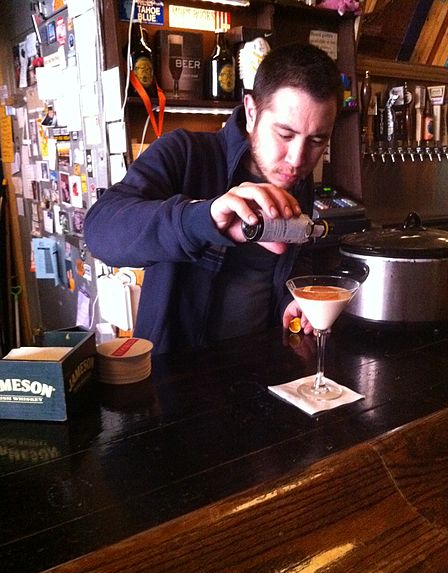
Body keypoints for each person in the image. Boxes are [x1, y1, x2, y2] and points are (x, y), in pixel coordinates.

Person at [84, 42, 342, 355]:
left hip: (262, 367)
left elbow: (294, 256)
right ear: (251, 111)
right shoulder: (185, 153)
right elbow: (99, 231)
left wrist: (294, 300)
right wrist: (202, 218)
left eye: (316, 141)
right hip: (180, 377)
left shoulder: (297, 182)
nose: (298, 159)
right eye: (284, 135)